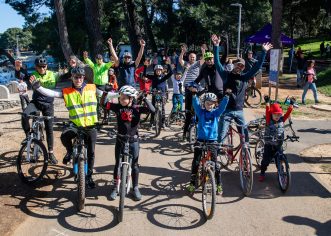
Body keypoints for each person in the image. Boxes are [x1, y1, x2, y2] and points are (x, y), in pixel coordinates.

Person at [31, 66, 118, 188]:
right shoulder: (66, 91)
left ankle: (89, 176)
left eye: (81, 77)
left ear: (83, 78)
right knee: (64, 137)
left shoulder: (92, 88)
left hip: (91, 125)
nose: (78, 79)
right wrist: (38, 87)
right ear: (72, 77)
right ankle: (70, 151)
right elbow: (53, 93)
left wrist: (115, 92)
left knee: (91, 152)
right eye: (76, 77)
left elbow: (107, 95)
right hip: (76, 125)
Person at [211, 34, 273, 143]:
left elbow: (257, 67)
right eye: (238, 65)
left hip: (239, 111)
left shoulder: (244, 77)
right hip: (227, 111)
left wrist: (263, 52)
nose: (239, 67)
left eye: (242, 66)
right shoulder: (226, 75)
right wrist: (216, 47)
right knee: (221, 135)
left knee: (245, 137)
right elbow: (217, 63)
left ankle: (246, 155)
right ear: (234, 65)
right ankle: (215, 155)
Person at [108, 85, 155, 201]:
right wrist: (107, 93)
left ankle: (135, 187)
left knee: (134, 165)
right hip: (120, 139)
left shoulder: (137, 108)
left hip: (133, 140)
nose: (121, 100)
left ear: (131, 99)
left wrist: (144, 98)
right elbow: (104, 104)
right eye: (121, 97)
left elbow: (153, 110)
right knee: (117, 164)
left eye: (124, 98)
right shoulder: (118, 107)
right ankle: (115, 187)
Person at [15, 56, 58, 164]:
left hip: (48, 105)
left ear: (46, 66)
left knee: (49, 129)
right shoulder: (33, 75)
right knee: (25, 115)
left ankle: (51, 153)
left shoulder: (53, 75)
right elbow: (21, 75)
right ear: (36, 67)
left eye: (44, 66)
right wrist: (17, 68)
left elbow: (67, 76)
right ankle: (28, 136)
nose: (42, 68)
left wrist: (73, 67)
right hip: (36, 103)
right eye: (40, 66)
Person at [186, 90, 230, 195]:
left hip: (212, 141)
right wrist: (193, 95)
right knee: (196, 162)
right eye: (207, 103)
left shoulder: (216, 113)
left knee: (216, 164)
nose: (210, 106)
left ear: (215, 104)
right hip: (200, 140)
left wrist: (226, 96)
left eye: (212, 104)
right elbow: (195, 104)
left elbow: (222, 107)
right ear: (204, 103)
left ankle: (219, 184)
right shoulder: (200, 112)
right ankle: (192, 183)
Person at [259, 96, 295, 182]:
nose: (277, 116)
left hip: (279, 144)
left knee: (279, 160)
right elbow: (267, 111)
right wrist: (267, 102)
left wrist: (291, 104)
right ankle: (262, 172)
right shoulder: (268, 120)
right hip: (269, 144)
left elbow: (288, 112)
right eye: (275, 114)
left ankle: (281, 172)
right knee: (265, 161)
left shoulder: (282, 119)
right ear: (271, 114)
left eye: (279, 114)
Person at [180, 44, 206, 139]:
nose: (192, 58)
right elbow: (180, 60)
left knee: (198, 110)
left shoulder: (198, 63)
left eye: (193, 57)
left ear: (196, 58)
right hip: (188, 89)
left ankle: (199, 133)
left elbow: (203, 59)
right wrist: (182, 52)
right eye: (191, 57)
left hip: (197, 89)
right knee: (188, 112)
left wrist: (203, 51)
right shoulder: (186, 64)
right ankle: (185, 132)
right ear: (189, 57)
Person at [143, 63, 173, 128]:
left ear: (161, 71)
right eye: (157, 70)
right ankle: (151, 123)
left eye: (159, 70)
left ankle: (163, 123)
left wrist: (168, 64)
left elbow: (171, 73)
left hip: (162, 94)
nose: (158, 71)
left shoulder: (164, 77)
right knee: (153, 109)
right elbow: (144, 75)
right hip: (154, 94)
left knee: (162, 109)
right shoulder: (153, 76)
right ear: (155, 71)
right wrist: (145, 66)